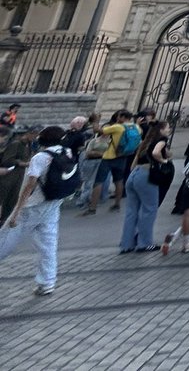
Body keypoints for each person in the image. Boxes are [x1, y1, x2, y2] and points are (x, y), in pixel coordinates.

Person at [0, 125, 72, 295]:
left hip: (33, 205)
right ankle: (47, 282)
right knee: (48, 244)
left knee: (6, 238)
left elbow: (29, 186)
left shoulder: (40, 157)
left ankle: (47, 281)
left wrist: (16, 211)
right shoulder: (66, 152)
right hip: (53, 204)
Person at [120, 121, 172, 253]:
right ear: (161, 130)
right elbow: (156, 153)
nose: (169, 130)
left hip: (134, 175)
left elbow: (133, 164)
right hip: (146, 175)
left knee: (131, 211)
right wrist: (163, 161)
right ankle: (144, 243)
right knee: (149, 210)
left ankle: (127, 244)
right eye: (167, 128)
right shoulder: (162, 140)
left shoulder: (145, 142)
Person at [83, 110, 138, 215]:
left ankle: (92, 208)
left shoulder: (118, 127)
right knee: (119, 181)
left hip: (109, 157)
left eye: (118, 117)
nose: (117, 119)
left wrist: (95, 120)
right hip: (123, 156)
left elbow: (97, 130)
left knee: (98, 182)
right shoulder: (136, 127)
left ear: (122, 117)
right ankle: (117, 204)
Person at [0, 126, 36, 224]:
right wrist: (23, 163)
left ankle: (4, 220)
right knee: (4, 196)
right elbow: (8, 160)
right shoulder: (16, 144)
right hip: (8, 175)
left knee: (12, 198)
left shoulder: (28, 144)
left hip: (17, 175)